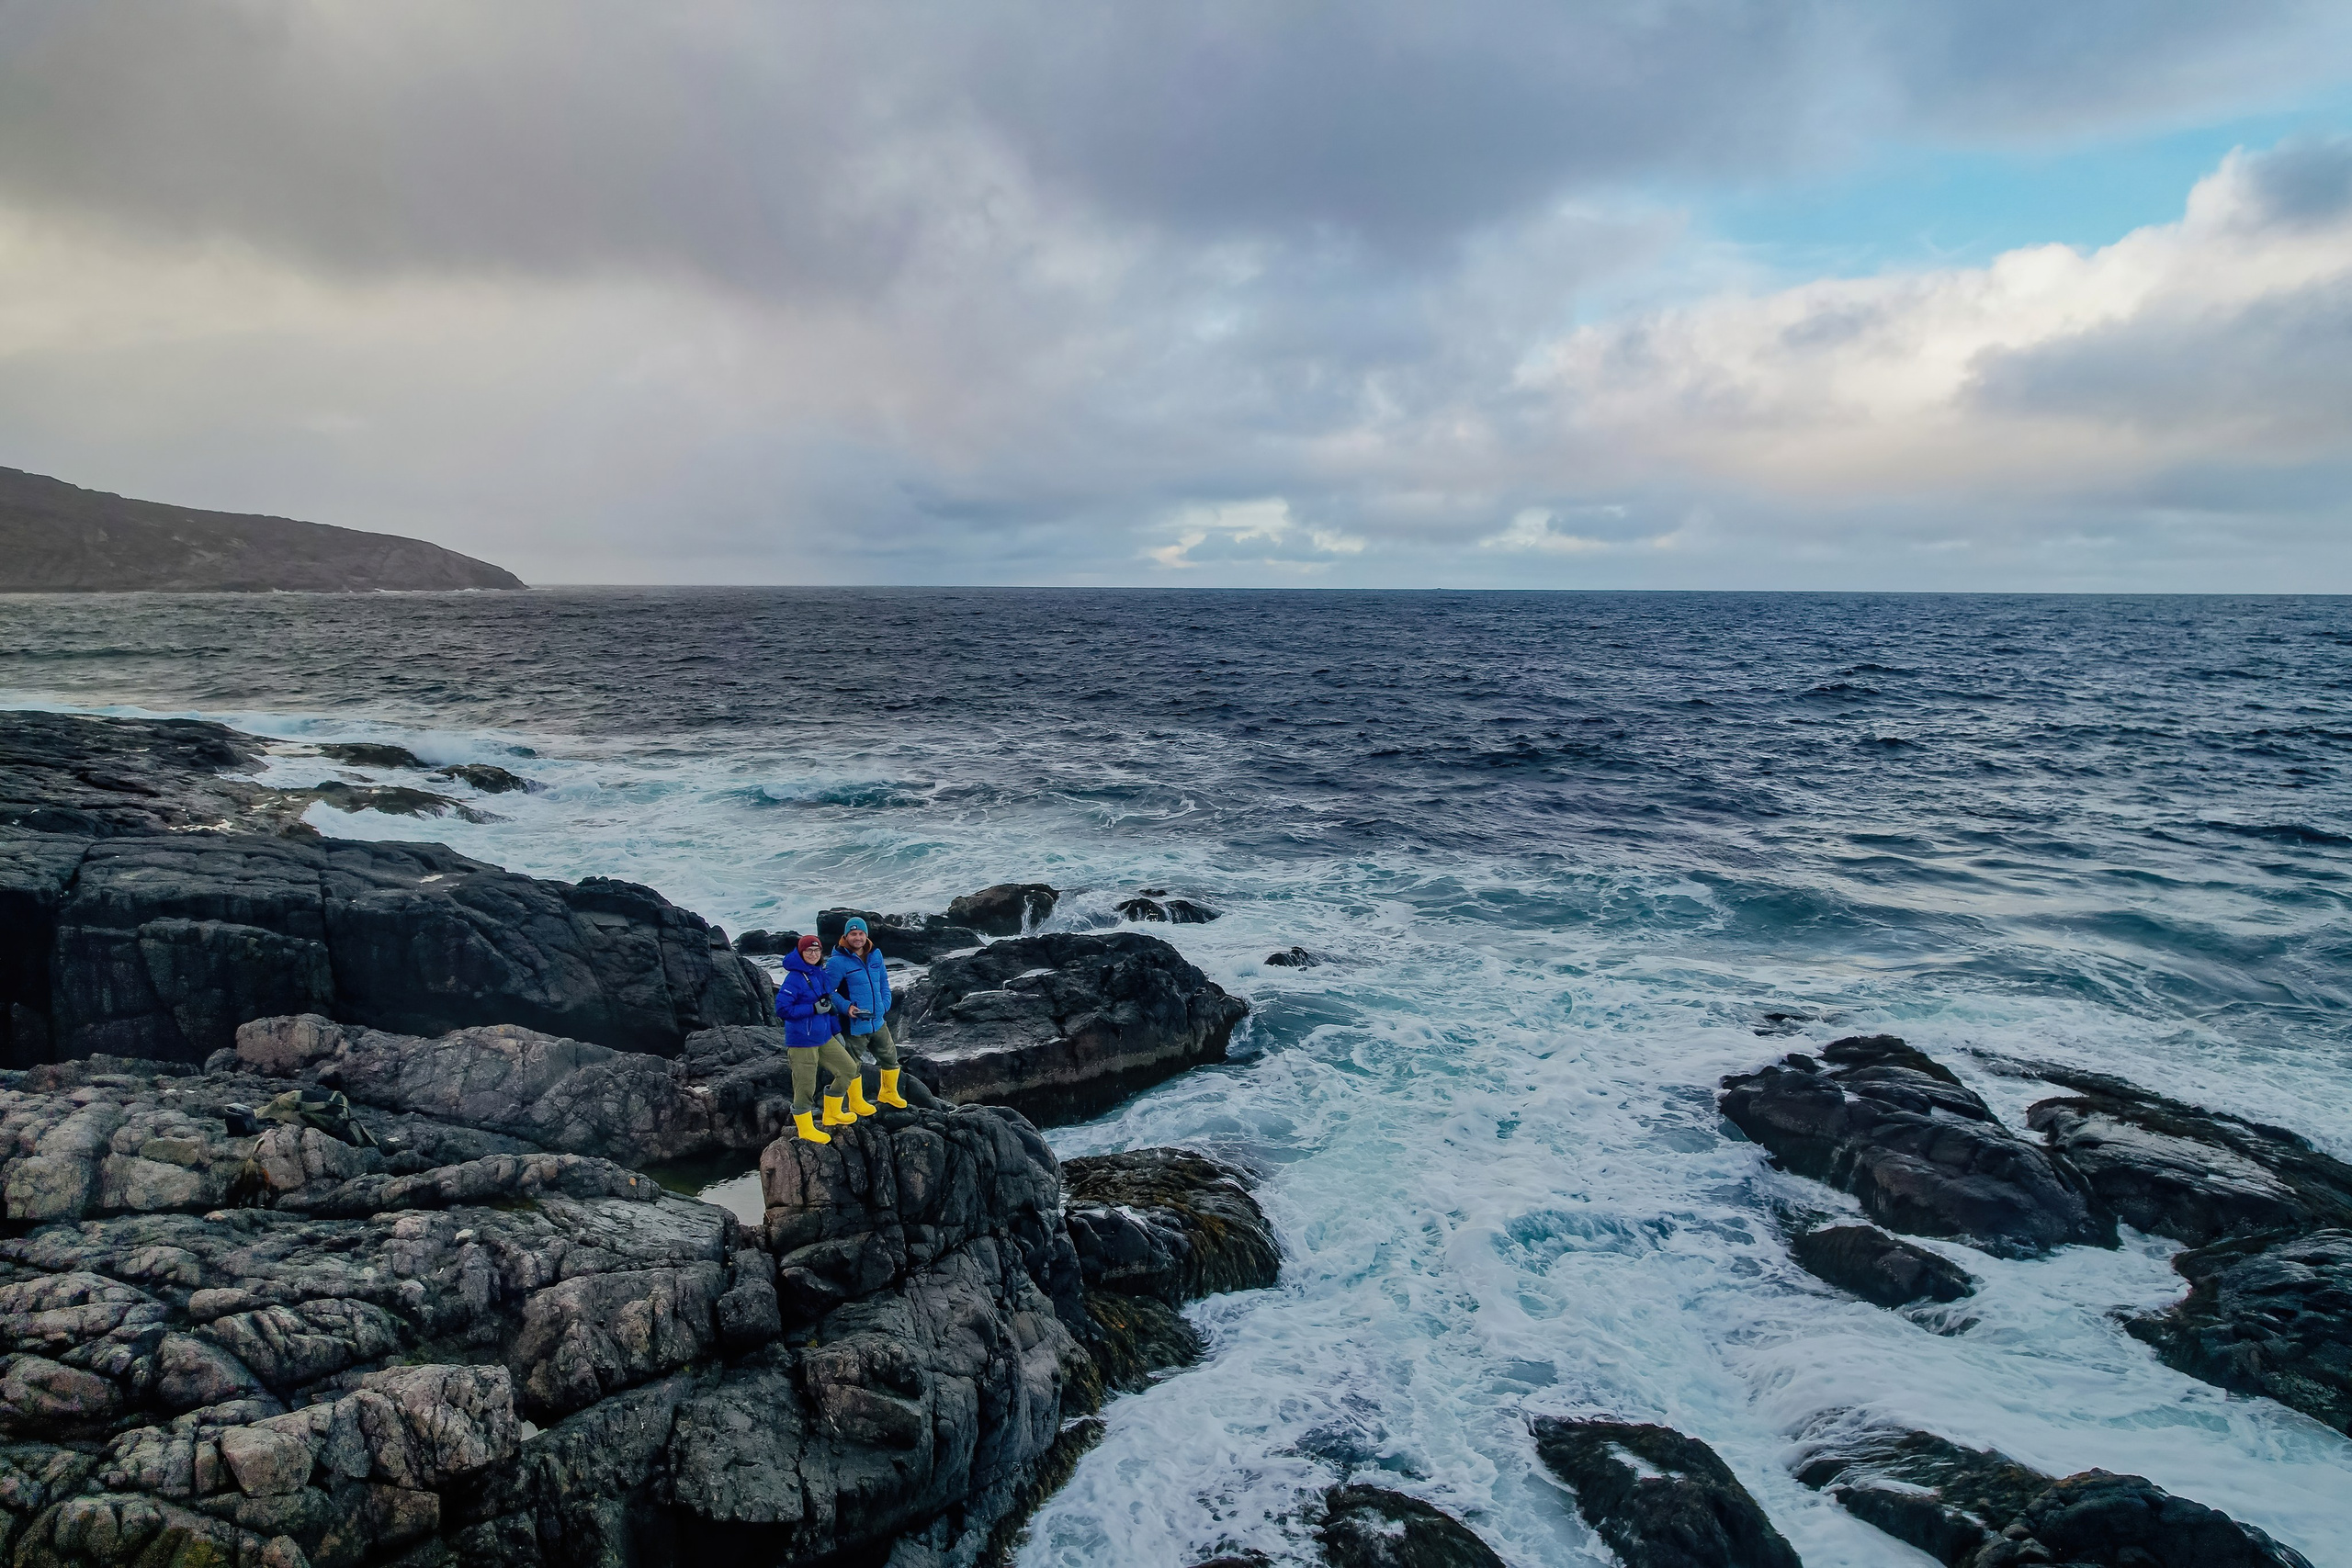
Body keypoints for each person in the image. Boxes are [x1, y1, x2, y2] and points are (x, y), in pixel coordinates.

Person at [775, 931, 866, 1143]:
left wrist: (836, 1032)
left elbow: (828, 1006)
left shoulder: (819, 973)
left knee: (848, 1069)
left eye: (817, 950)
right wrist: (812, 1008)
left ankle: (832, 1113)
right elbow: (782, 1009)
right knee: (805, 1085)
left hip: (825, 1036)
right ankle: (805, 1129)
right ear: (801, 952)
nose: (814, 953)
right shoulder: (794, 978)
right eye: (809, 950)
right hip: (802, 1040)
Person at [825, 916, 910, 1109]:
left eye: (861, 933)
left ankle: (888, 1093)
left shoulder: (875, 955)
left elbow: (883, 983)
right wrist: (846, 1007)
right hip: (854, 1024)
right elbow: (827, 992)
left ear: (866, 935)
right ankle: (856, 1102)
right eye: (853, 934)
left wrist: (885, 1003)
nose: (858, 937)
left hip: (878, 1021)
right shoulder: (837, 962)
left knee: (889, 1057)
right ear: (846, 936)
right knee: (853, 1064)